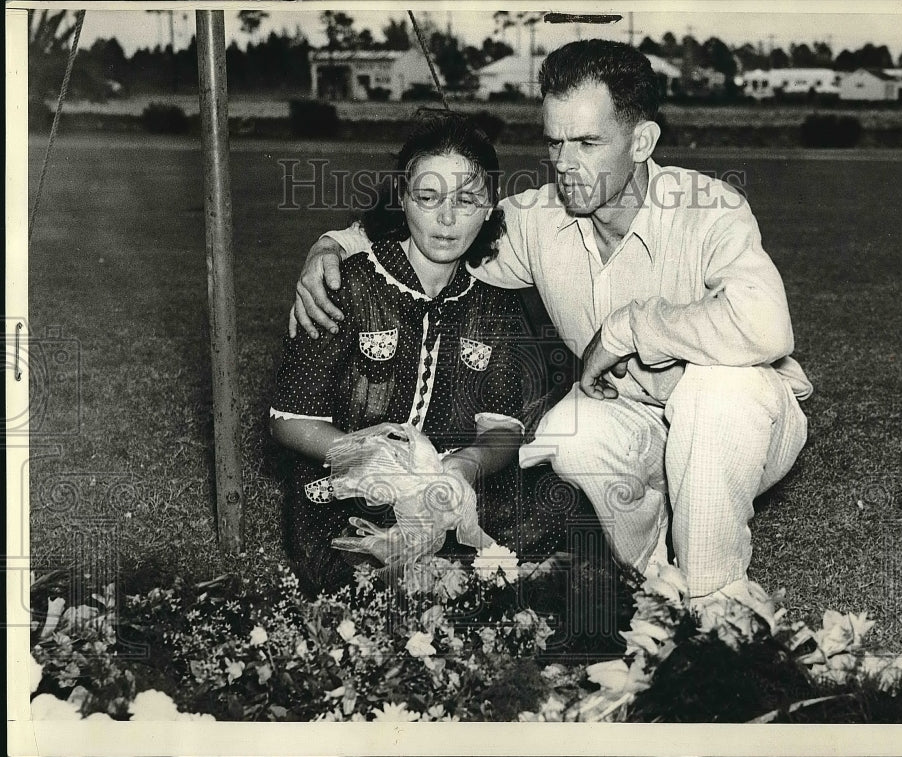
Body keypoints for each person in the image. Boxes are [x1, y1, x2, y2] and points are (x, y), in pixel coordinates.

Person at [288, 40, 813, 601]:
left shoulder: (711, 207)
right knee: (572, 433)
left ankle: (713, 599)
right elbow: (441, 220)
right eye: (555, 142)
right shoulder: (539, 218)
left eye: (587, 143)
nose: (565, 164)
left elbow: (766, 327)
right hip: (639, 422)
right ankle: (654, 573)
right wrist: (332, 245)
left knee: (716, 391)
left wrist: (629, 328)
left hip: (748, 421)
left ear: (642, 141)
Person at [269, 114, 556, 594]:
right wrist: (373, 460)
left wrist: (463, 467)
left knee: (558, 504)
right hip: (355, 482)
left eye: (466, 200)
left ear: (489, 207)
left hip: (452, 476)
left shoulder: (497, 298)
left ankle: (459, 561)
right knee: (365, 574)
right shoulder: (348, 284)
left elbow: (503, 427)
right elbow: (288, 419)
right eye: (428, 198)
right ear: (402, 199)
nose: (447, 219)